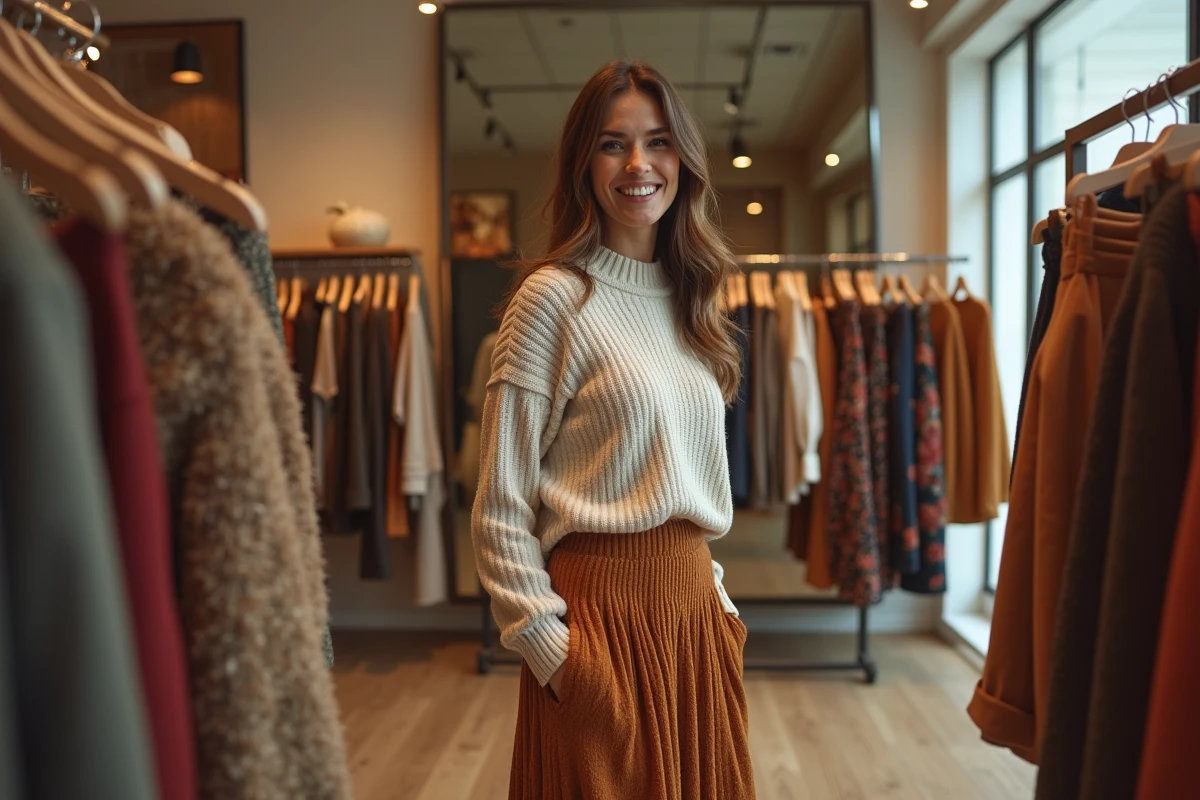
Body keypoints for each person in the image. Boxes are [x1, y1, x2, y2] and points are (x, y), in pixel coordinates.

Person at [471, 60, 755, 800]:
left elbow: (684, 483)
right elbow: (500, 508)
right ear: (582, 164)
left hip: (693, 621)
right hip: (596, 629)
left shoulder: (693, 300)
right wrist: (555, 656)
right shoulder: (552, 301)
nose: (638, 165)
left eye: (658, 142)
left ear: (682, 160)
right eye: (612, 144)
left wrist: (720, 613)